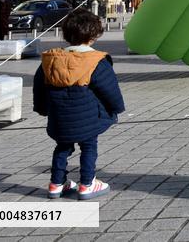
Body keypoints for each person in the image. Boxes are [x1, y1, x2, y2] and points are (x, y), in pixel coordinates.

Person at [33, 11, 125, 200]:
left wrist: (43, 109)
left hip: (60, 117)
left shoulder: (51, 60)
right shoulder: (96, 61)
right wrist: (116, 109)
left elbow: (39, 87)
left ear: (66, 34)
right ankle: (87, 184)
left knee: (62, 147)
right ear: (94, 35)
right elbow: (109, 89)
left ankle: (56, 184)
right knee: (89, 146)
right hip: (88, 117)